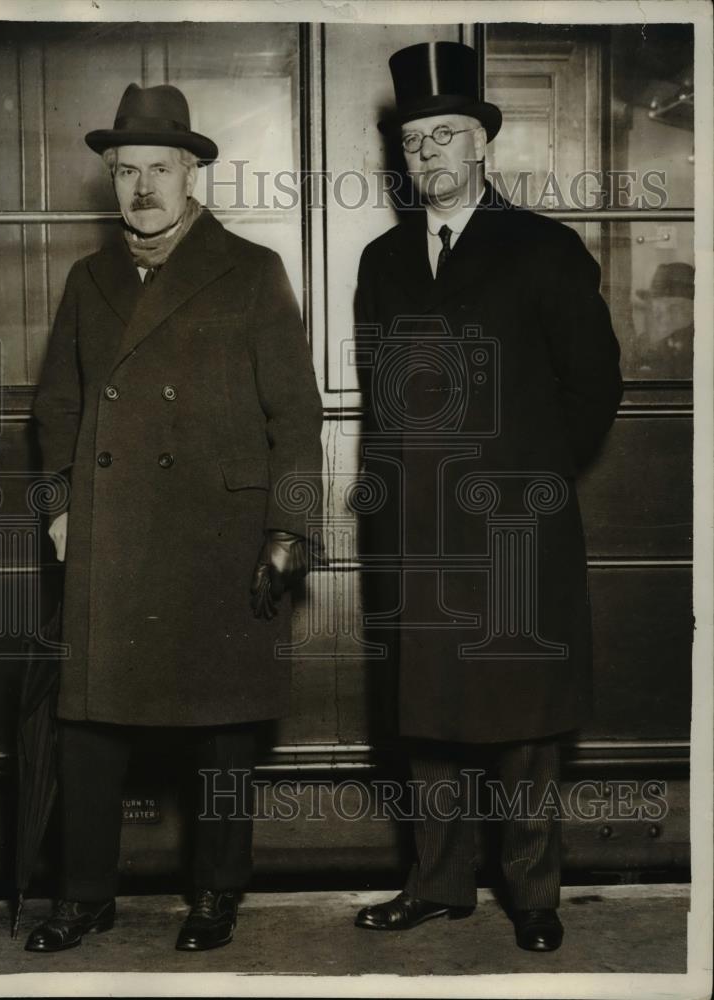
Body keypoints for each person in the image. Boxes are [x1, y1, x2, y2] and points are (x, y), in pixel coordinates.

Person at [27, 83, 323, 953]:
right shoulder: (90, 279)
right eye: (126, 171)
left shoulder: (251, 267)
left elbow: (296, 418)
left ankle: (216, 891)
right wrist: (60, 510)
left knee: (222, 724)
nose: (142, 187)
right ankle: (85, 896)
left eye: (159, 168)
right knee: (88, 723)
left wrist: (287, 530)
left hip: (218, 530)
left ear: (192, 174)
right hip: (111, 529)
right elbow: (55, 408)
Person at [353, 42, 622, 952]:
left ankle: (534, 894)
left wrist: (534, 483)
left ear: (481, 148)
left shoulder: (543, 248)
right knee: (427, 714)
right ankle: (436, 885)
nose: (426, 156)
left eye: (444, 138)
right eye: (414, 141)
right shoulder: (384, 259)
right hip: (419, 531)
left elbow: (593, 387)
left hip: (514, 527)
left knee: (523, 721)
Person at [635, 261, 694, 379]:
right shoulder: (642, 344)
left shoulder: (698, 347)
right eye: (655, 308)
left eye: (674, 308)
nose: (659, 317)